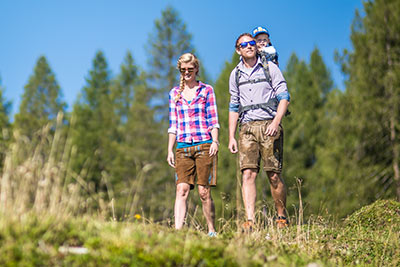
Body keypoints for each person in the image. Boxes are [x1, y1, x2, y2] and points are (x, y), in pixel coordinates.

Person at [228, 33, 290, 230]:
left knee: (273, 174)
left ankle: (281, 217)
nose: (249, 46)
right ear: (238, 50)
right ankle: (250, 220)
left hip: (269, 124)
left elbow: (284, 97)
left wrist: (276, 121)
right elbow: (233, 105)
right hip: (246, 127)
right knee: (248, 173)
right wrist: (231, 136)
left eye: (251, 43)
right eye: (244, 44)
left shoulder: (269, 68)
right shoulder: (235, 74)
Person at [167, 53, 220, 237]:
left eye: (190, 69)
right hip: (182, 146)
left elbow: (213, 119)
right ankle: (178, 232)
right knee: (181, 189)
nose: (187, 72)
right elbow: (173, 125)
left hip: (204, 144)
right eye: (183, 70)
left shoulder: (206, 90)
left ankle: (211, 230)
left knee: (204, 191)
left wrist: (215, 141)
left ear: (196, 69)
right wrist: (170, 150)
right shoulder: (175, 94)